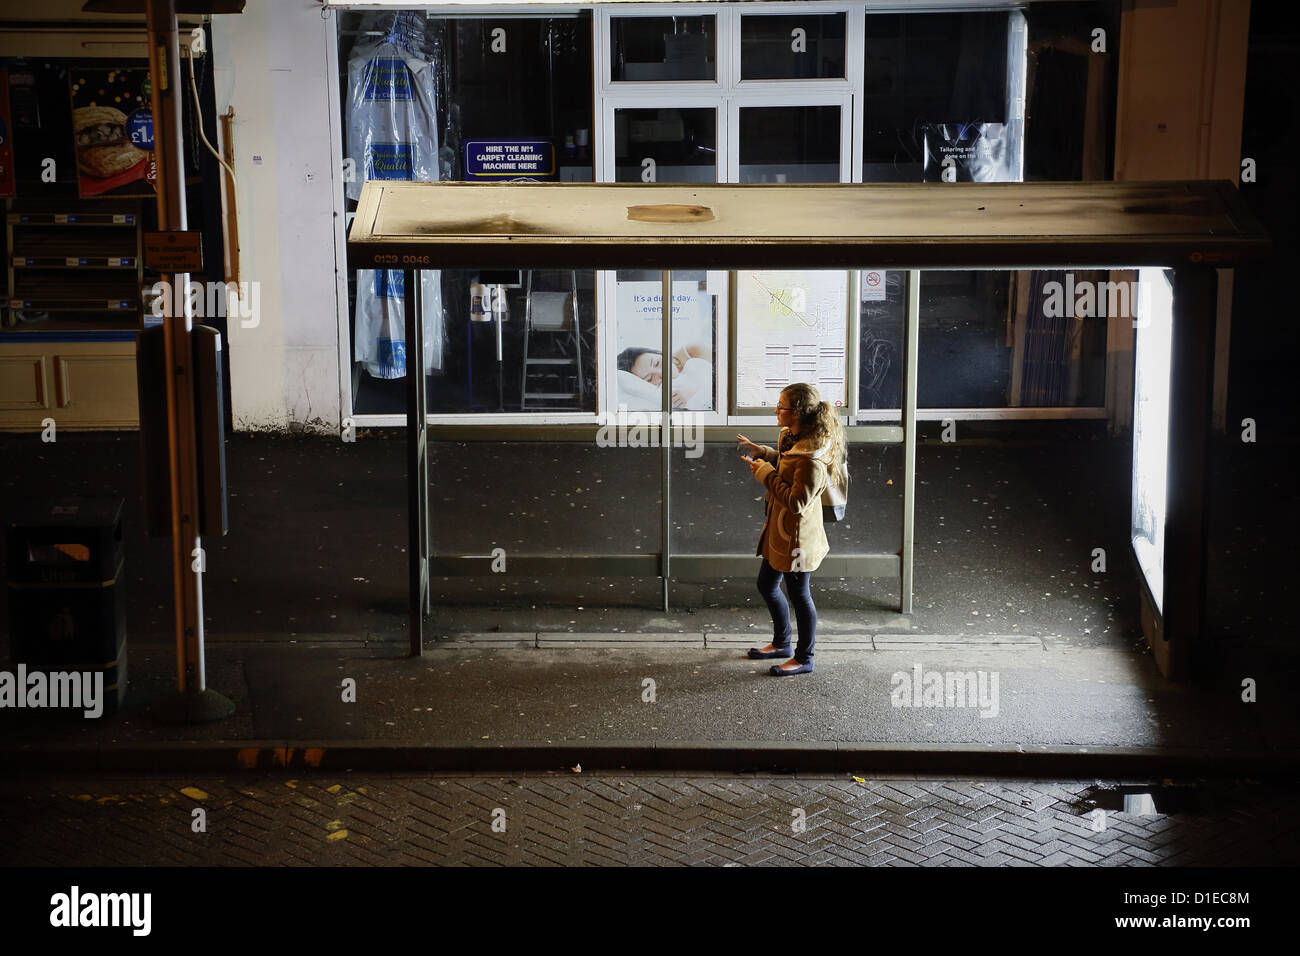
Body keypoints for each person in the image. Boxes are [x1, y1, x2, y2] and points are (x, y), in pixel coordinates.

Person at [737, 383, 846, 676]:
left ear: (796, 412)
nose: (776, 410)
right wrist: (764, 453)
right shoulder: (790, 437)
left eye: (781, 406)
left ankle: (804, 657)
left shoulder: (812, 459)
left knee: (800, 595)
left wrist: (765, 474)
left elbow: (797, 501)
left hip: (797, 537)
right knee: (767, 585)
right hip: (780, 530)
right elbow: (785, 464)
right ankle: (783, 643)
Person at [617, 343, 712, 409]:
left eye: (657, 363)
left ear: (659, 353)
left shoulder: (693, 350)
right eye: (650, 378)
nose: (662, 373)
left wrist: (694, 390)